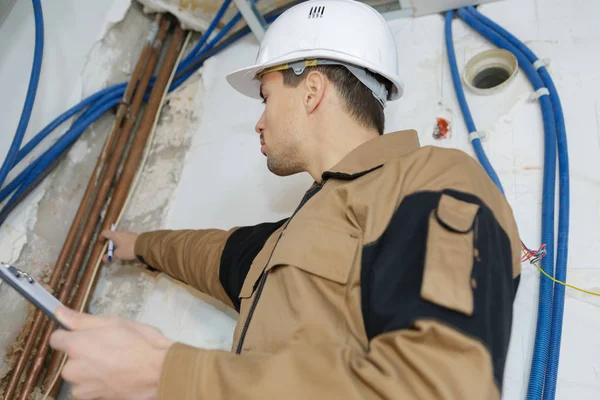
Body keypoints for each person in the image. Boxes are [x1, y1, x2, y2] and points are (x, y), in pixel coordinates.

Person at [49, 0, 521, 399]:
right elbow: (212, 254)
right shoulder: (297, 236)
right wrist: (138, 245)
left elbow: (437, 386)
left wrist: (163, 370)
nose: (259, 121)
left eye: (266, 97)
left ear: (312, 90)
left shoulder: (429, 180)